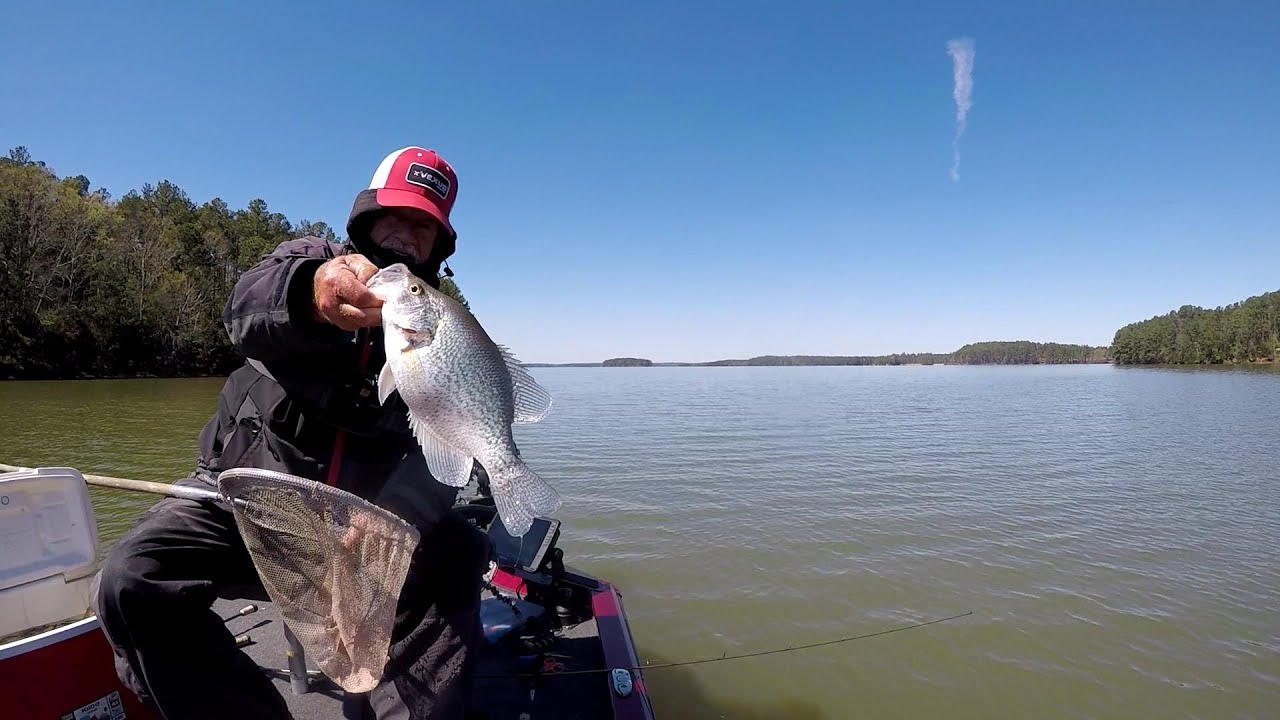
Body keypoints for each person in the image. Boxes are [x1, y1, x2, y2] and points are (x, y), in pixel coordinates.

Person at [93, 146, 491, 720]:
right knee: (133, 577)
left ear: (439, 245)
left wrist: (394, 513)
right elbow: (246, 307)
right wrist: (316, 291)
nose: (406, 235)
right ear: (364, 220)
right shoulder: (304, 258)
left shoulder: (443, 325)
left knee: (458, 551)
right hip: (247, 506)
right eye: (395, 217)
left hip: (368, 529)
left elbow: (452, 449)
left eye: (423, 227)